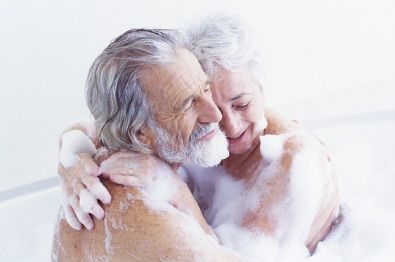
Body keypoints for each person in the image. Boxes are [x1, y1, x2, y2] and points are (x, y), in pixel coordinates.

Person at [56, 14, 340, 260]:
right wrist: (74, 160)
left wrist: (177, 193)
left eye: (241, 104)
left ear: (262, 90)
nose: (224, 122)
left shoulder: (290, 165)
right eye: (201, 101)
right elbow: (91, 127)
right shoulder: (198, 139)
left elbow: (244, 255)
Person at [52, 28, 242, 261]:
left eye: (205, 89)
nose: (215, 114)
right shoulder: (147, 218)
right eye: (187, 104)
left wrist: (72, 147)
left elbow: (85, 128)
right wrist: (179, 193)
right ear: (141, 133)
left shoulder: (103, 158)